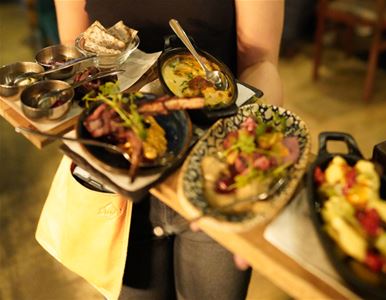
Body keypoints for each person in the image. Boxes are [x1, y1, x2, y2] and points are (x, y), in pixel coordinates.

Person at [53, 0, 284, 299]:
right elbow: (76, 55)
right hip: (120, 176)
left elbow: (261, 63)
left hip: (211, 175)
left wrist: (247, 148)